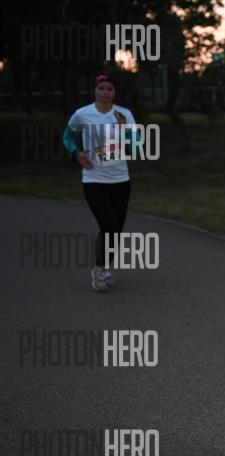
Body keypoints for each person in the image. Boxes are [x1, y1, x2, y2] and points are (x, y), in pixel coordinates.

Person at [63, 72, 140, 292]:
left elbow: (136, 147)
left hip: (121, 179)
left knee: (116, 229)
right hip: (94, 179)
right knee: (108, 225)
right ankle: (98, 270)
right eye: (101, 88)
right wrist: (76, 153)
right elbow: (67, 137)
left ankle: (105, 267)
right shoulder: (82, 114)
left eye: (110, 89)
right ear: (94, 91)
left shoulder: (124, 114)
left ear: (114, 92)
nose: (105, 92)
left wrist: (125, 130)